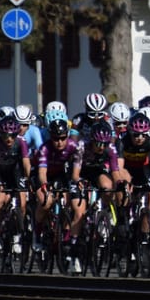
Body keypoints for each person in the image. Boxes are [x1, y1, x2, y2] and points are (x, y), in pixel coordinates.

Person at [34, 117, 85, 273]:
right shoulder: (45, 148)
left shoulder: (74, 147)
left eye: (63, 138)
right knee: (46, 201)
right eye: (56, 138)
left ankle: (66, 234)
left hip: (62, 175)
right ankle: (37, 232)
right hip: (44, 175)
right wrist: (45, 186)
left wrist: (78, 181)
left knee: (70, 200)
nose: (59, 142)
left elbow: (75, 174)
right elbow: (42, 173)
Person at [0, 115, 31, 254]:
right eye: (6, 135)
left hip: (15, 172)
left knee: (22, 202)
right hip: (1, 172)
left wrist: (29, 179)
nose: (9, 139)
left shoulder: (21, 142)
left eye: (12, 136)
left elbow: (26, 163)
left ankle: (18, 233)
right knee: (0, 201)